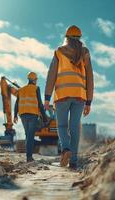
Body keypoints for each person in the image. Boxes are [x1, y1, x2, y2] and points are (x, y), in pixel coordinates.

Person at [44, 25, 94, 169]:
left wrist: (47, 97)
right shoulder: (85, 52)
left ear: (66, 37)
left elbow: (51, 75)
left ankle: (66, 149)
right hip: (79, 95)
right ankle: (73, 161)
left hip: (62, 95)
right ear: (79, 38)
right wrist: (89, 101)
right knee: (74, 127)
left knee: (61, 126)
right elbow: (90, 78)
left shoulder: (59, 51)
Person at [14, 72, 47, 162]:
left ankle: (28, 156)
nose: (36, 81)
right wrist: (44, 117)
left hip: (23, 115)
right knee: (30, 136)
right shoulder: (36, 88)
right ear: (34, 80)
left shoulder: (21, 90)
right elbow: (40, 104)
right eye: (36, 79)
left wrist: (15, 115)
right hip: (32, 114)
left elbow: (16, 103)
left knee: (28, 135)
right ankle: (29, 157)